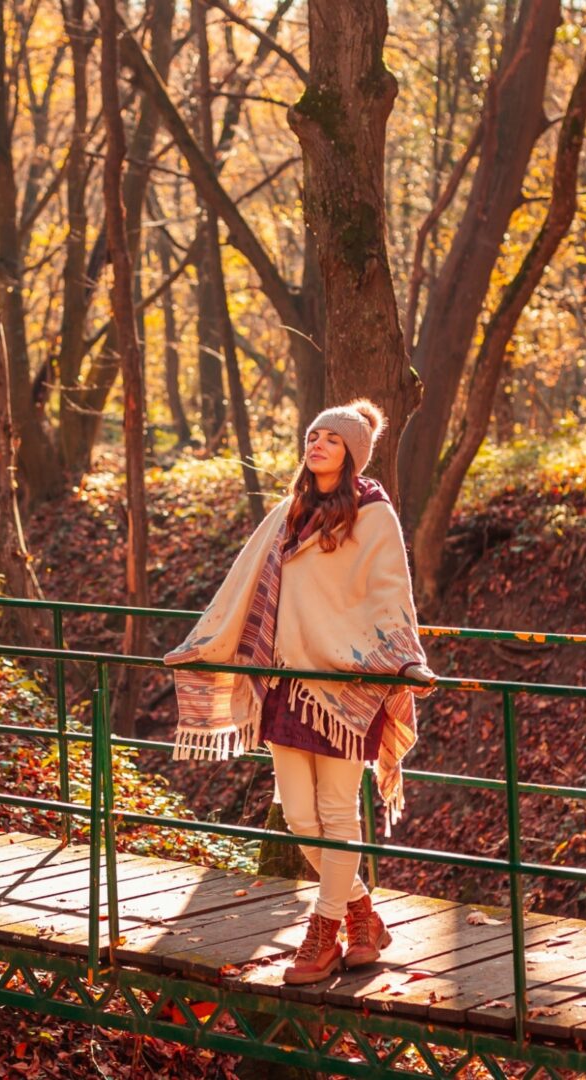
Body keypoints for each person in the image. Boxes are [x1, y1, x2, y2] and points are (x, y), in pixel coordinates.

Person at [163, 399, 436, 986]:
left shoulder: (373, 515)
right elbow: (242, 586)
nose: (316, 445)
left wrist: (407, 659)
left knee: (337, 812)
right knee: (297, 814)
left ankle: (324, 931)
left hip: (345, 686)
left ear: (351, 453)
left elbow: (393, 594)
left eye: (330, 440)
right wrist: (204, 642)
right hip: (287, 682)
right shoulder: (289, 513)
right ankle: (362, 915)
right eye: (312, 435)